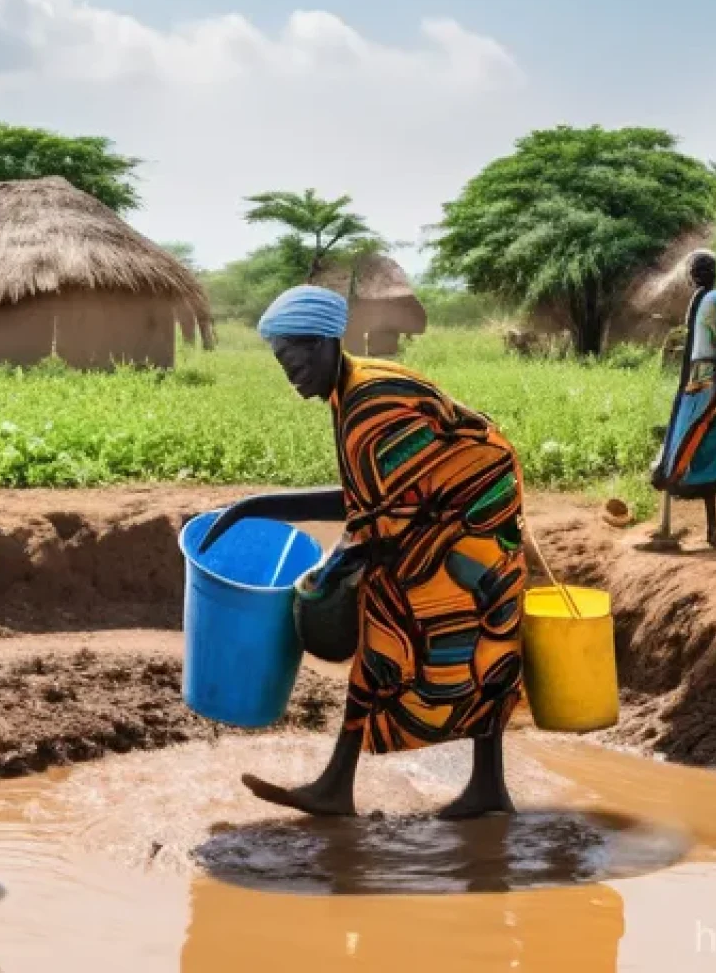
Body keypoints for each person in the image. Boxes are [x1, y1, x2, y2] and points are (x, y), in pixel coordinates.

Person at [223, 285, 527, 820]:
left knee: (478, 641)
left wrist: (327, 572)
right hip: (434, 512)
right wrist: (258, 505)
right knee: (386, 630)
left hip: (472, 516)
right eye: (281, 366)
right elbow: (370, 497)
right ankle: (345, 786)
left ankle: (479, 787)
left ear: (322, 344)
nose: (290, 378)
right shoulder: (348, 389)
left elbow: (378, 524)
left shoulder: (371, 405)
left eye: (294, 364)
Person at [645, 251, 716, 552]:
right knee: (700, 440)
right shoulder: (714, 301)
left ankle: (700, 523)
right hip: (705, 380)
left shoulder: (706, 301)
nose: (696, 275)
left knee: (693, 438)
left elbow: (715, 345)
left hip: (700, 381)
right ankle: (708, 530)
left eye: (697, 270)